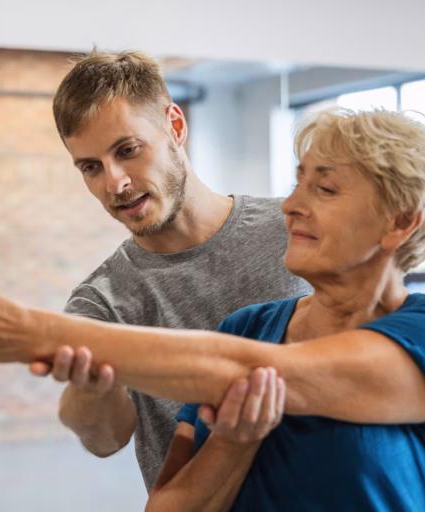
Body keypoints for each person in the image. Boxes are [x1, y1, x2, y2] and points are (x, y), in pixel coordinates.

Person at [0, 107, 425, 511]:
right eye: (298, 182)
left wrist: (22, 329)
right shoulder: (248, 327)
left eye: (323, 188)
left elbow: (249, 371)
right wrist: (234, 443)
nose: (291, 205)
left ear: (400, 223)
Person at [30, 49, 311, 490]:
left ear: (175, 127)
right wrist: (89, 386)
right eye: (90, 167)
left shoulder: (295, 230)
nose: (114, 183)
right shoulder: (102, 301)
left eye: (128, 150)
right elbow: (104, 439)